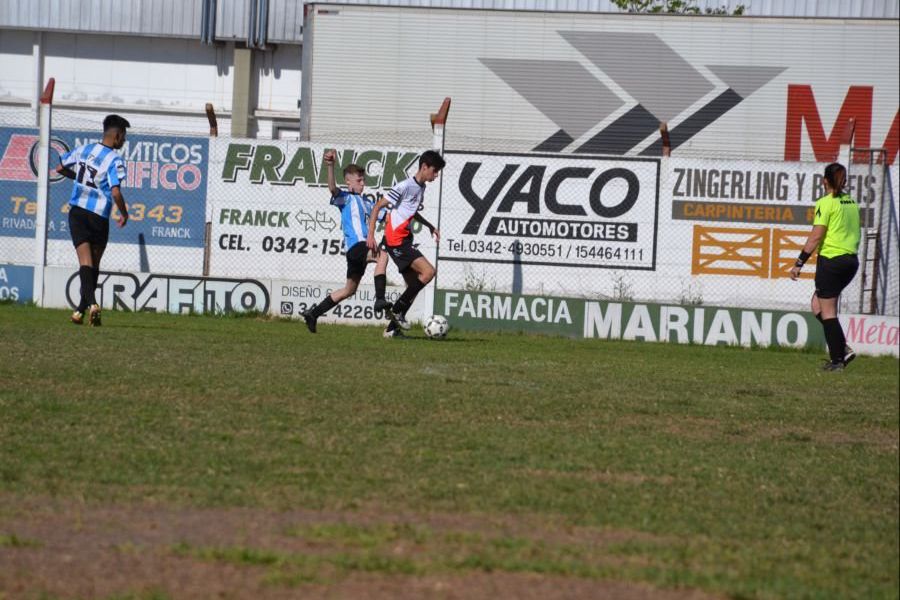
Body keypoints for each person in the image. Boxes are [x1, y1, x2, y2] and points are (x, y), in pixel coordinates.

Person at [56, 114, 130, 326]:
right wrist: (124, 214)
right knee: (93, 264)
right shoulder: (115, 160)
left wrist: (79, 180)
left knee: (86, 264)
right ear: (116, 136)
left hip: (78, 212)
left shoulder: (83, 150)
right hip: (99, 216)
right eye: (123, 136)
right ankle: (93, 304)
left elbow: (60, 168)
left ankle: (81, 310)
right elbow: (115, 193)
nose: (124, 141)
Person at [300, 150, 384, 332]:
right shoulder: (345, 198)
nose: (363, 184)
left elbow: (386, 215)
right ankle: (380, 299)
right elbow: (332, 188)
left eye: (363, 180)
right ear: (348, 181)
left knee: (348, 290)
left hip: (356, 252)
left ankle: (313, 314)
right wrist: (330, 166)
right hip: (357, 246)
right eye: (359, 180)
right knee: (382, 256)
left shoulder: (368, 203)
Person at [790, 162, 860, 371]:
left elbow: (816, 236)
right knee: (816, 306)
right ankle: (842, 349)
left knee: (828, 312)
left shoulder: (825, 203)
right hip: (850, 261)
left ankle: (838, 359)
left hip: (831, 261)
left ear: (825, 181)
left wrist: (799, 263)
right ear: (843, 181)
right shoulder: (851, 202)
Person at [366, 150, 445, 338]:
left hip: (404, 238)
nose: (436, 175)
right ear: (424, 167)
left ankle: (392, 329)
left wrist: (429, 226)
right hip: (396, 240)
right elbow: (378, 206)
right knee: (428, 272)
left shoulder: (421, 187)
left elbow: (410, 210)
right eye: (434, 171)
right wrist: (371, 235)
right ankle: (398, 311)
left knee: (412, 286)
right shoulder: (405, 186)